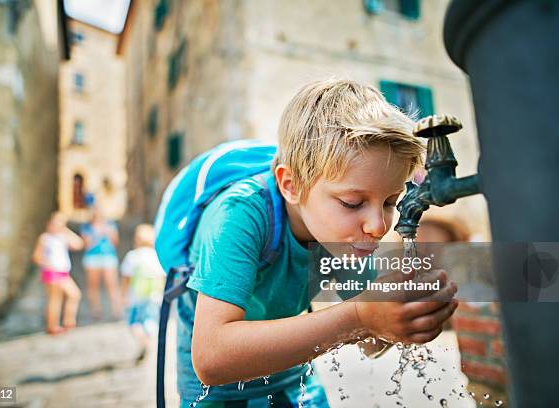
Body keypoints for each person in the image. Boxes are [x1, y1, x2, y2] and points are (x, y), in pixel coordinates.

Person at [176, 79, 459, 406]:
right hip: (217, 393)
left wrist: (401, 315)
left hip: (294, 376)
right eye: (353, 203)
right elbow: (212, 357)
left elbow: (369, 343)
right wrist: (360, 316)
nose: (378, 225)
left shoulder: (348, 237)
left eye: (389, 202)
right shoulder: (240, 214)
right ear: (291, 185)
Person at [33, 212, 84, 335]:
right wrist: (49, 264)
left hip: (62, 273)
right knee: (58, 298)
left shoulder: (62, 237)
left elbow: (79, 244)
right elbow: (36, 257)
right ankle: (55, 325)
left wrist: (66, 231)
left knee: (69, 296)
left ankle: (65, 322)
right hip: (53, 272)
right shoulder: (45, 238)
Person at [121, 224, 165, 359]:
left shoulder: (132, 256)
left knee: (134, 322)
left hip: (137, 297)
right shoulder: (157, 256)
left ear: (136, 240)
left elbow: (126, 278)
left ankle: (143, 341)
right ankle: (148, 337)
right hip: (155, 297)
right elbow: (163, 277)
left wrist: (123, 295)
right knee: (150, 320)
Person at [81, 207, 121, 319]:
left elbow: (115, 242)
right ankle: (95, 310)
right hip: (92, 258)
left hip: (108, 256)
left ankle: (116, 310)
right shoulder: (87, 227)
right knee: (93, 285)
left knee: (112, 284)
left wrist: (108, 233)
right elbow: (86, 244)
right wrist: (97, 235)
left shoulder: (110, 225)